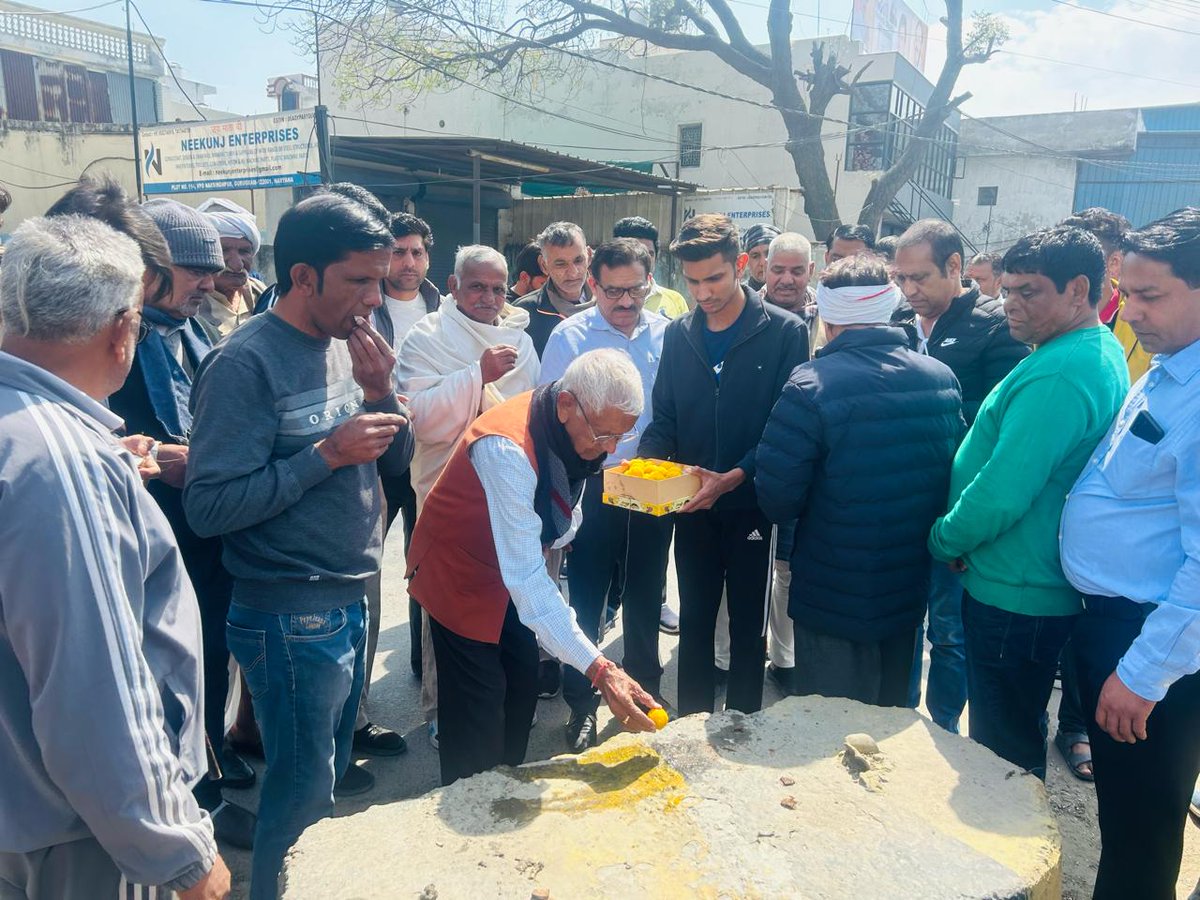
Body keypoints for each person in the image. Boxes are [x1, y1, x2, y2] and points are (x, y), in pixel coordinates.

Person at [184, 193, 414, 900]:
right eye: (359, 281)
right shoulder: (244, 363)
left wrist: (380, 394)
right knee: (302, 793)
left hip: (347, 596)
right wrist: (326, 455)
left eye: (382, 280)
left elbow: (388, 459)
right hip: (288, 613)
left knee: (326, 777)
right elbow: (209, 505)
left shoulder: (351, 346)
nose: (375, 298)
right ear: (304, 276)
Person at [0, 215, 230, 899]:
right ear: (122, 328)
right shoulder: (54, 459)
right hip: (79, 838)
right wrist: (177, 855)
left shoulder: (34, 438)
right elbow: (93, 690)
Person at [928, 226, 1129, 780]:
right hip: (1022, 577)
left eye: (1029, 292)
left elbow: (1002, 491)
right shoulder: (1080, 349)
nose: (1010, 304)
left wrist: (945, 537)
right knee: (1013, 728)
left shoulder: (1062, 371)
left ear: (1078, 289)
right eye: (1008, 290)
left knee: (1002, 750)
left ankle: (1011, 854)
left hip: (1016, 594)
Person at [406, 349, 660, 785]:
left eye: (621, 436)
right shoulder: (507, 449)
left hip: (506, 571)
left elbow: (555, 533)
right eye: (604, 435)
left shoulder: (570, 432)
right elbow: (527, 579)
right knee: (478, 714)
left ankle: (508, 786)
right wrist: (602, 669)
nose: (611, 449)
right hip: (459, 576)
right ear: (567, 406)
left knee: (521, 692)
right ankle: (472, 804)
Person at [102, 196, 256, 846]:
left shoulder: (189, 325)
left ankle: (210, 776)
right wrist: (168, 459)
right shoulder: (115, 334)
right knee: (163, 667)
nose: (208, 280)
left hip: (205, 528)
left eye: (211, 266)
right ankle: (188, 803)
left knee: (207, 655)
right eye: (194, 267)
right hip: (148, 534)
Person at [1059, 207, 1200, 900]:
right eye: (1128, 291)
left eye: (1150, 296)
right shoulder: (1173, 365)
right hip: (1123, 623)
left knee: (1140, 840)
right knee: (1129, 821)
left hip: (1151, 640)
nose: (1130, 309)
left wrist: (1143, 675)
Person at [756, 253, 963, 706]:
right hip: (906, 586)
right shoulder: (941, 380)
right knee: (890, 726)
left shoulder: (810, 384)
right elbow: (951, 476)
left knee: (830, 725)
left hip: (831, 592)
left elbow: (777, 498)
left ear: (827, 318)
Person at [640, 214, 809, 716]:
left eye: (713, 278)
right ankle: (689, 725)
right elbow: (666, 415)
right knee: (693, 620)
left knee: (745, 626)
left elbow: (785, 428)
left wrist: (734, 476)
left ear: (739, 265)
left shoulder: (784, 331)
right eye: (691, 281)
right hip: (690, 503)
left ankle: (744, 725)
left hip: (751, 505)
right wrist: (643, 466)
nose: (704, 292)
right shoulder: (679, 334)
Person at [397, 244, 540, 749]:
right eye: (476, 286)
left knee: (507, 594)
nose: (488, 297)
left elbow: (532, 411)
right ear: (453, 287)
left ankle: (500, 695)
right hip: (447, 489)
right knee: (449, 602)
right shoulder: (428, 336)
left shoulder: (518, 338)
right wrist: (476, 375)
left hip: (506, 487)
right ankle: (443, 707)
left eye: (498, 288)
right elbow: (420, 417)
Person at [892, 219, 1029, 733]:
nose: (910, 291)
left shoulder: (996, 328)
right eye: (902, 278)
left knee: (948, 632)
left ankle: (945, 727)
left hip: (959, 510)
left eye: (921, 277)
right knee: (904, 622)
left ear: (955, 266)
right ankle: (898, 717)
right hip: (906, 502)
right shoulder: (900, 320)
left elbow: (1000, 430)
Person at [540, 239, 673, 751]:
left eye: (634, 290)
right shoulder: (569, 337)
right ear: (593, 285)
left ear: (649, 283)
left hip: (649, 483)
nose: (623, 302)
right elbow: (553, 416)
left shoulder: (666, 334)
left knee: (645, 593)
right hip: (591, 485)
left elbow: (670, 412)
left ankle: (645, 695)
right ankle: (583, 704)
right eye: (612, 291)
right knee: (589, 597)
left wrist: (651, 465)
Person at [353, 211, 443, 757]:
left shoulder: (443, 307)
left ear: (428, 257)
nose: (407, 263)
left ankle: (420, 664)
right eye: (398, 252)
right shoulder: (364, 306)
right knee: (367, 572)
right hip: (379, 455)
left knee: (426, 563)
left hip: (431, 455)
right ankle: (356, 709)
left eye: (416, 252)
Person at [1062, 207, 1151, 381]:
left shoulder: (1147, 326)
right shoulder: (1044, 318)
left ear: (1114, 263)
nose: (1061, 270)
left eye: (1076, 259)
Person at [514, 221, 594, 357]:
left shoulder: (610, 305)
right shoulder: (523, 314)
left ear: (589, 256)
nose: (573, 272)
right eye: (561, 264)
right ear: (544, 265)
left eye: (578, 260)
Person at [196, 197, 265, 337]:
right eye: (223, 251)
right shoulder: (189, 304)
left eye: (244, 251)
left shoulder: (262, 294)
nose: (237, 265)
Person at [613, 216, 689, 318]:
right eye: (636, 254)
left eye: (650, 254)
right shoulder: (607, 300)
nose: (644, 261)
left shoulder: (676, 301)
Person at [741, 223, 780, 293]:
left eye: (769, 254)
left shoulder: (799, 295)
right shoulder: (740, 298)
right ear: (747, 262)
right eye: (755, 256)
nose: (762, 262)